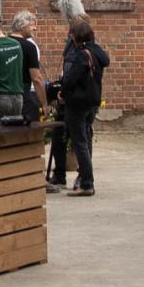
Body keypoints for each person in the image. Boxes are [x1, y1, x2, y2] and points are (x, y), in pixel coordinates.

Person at [49, 16, 111, 195]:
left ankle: (86, 182)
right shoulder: (97, 52)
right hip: (92, 101)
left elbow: (70, 80)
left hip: (77, 103)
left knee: (79, 142)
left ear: (76, 37)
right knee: (84, 139)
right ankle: (85, 180)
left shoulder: (81, 55)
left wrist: (62, 94)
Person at [9, 10, 45, 125]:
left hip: (1, 96)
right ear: (23, 25)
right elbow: (36, 78)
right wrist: (44, 103)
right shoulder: (29, 47)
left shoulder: (4, 43)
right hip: (22, 95)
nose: (35, 28)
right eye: (32, 25)